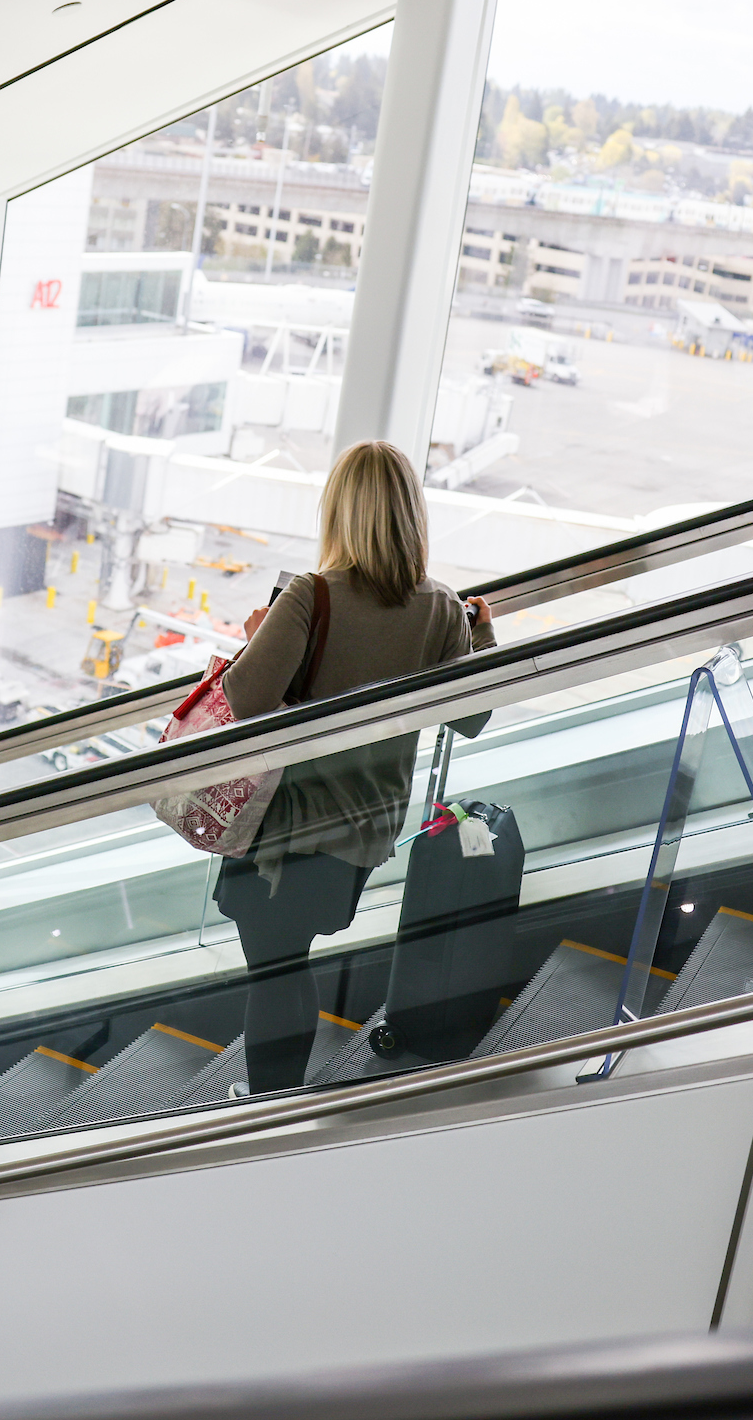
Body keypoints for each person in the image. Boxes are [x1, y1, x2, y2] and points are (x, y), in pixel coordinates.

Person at [213, 440, 497, 1094]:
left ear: (341, 512)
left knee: (275, 973)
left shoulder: (312, 597)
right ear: (410, 514)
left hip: (284, 831)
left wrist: (257, 634)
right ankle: (275, 1098)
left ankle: (268, 1104)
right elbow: (473, 718)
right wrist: (482, 635)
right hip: (363, 830)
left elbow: (243, 700)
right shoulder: (440, 608)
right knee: (289, 964)